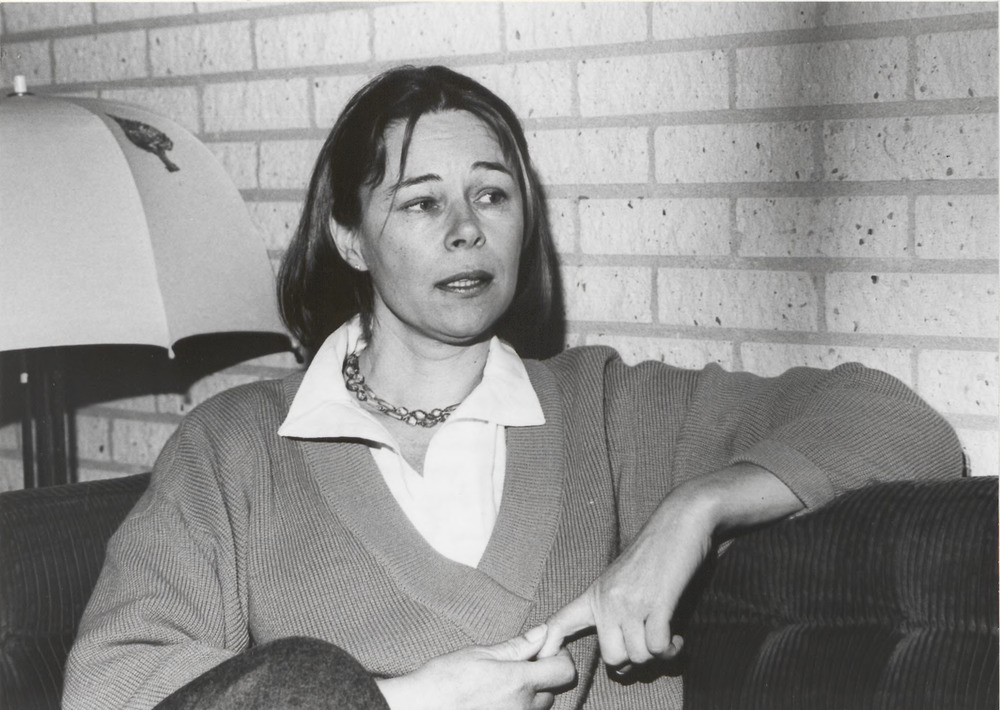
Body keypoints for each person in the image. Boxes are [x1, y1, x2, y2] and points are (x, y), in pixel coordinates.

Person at [63, 65, 964, 710]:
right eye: (422, 201)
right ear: (349, 238)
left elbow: (898, 421)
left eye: (492, 195)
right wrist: (403, 701)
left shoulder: (604, 410)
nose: (466, 229)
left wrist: (693, 512)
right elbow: (107, 685)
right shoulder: (235, 446)